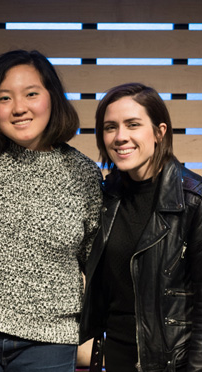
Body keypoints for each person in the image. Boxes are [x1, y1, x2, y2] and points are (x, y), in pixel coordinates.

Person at [0, 49, 102, 371]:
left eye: (31, 94)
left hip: (49, 340)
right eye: (4, 98)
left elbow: (95, 259)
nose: (19, 108)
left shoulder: (83, 173)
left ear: (52, 98)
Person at [80, 83, 202, 372]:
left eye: (133, 125)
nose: (121, 137)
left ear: (160, 132)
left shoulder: (194, 202)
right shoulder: (105, 197)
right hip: (114, 358)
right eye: (110, 127)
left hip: (174, 364)